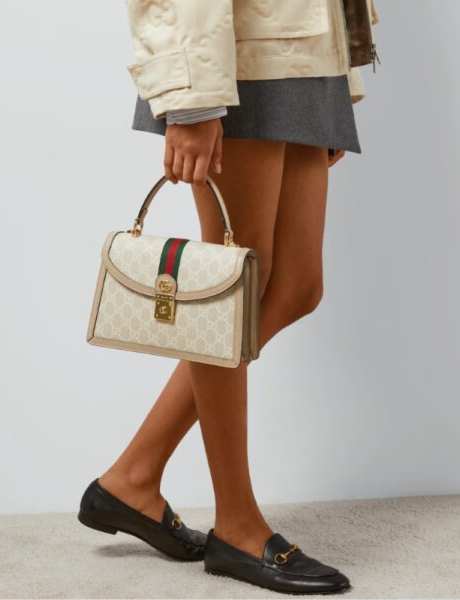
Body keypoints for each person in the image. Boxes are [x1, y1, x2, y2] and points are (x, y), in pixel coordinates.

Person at [78, 0, 380, 594]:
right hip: (237, 63)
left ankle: (132, 478)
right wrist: (191, 101)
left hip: (306, 52)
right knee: (233, 291)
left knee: (295, 288)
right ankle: (237, 525)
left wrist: (334, 82)